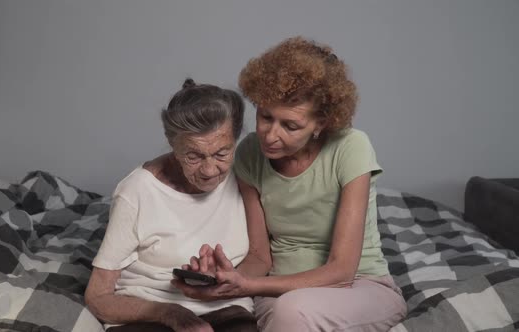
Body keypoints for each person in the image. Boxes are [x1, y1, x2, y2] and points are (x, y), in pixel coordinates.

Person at [173, 37, 408, 332]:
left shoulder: (351, 147)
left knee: (291, 311)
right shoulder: (249, 152)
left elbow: (342, 271)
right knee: (282, 310)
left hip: (361, 286)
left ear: (320, 123)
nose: (270, 135)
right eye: (265, 116)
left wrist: (249, 285)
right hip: (279, 290)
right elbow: (260, 255)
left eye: (290, 125)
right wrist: (227, 278)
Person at [85, 79, 258, 332]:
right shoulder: (136, 192)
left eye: (222, 153)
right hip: (150, 313)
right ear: (173, 145)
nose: (210, 171)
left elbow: (260, 257)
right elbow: (97, 297)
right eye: (194, 156)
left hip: (229, 310)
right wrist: (171, 314)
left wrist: (225, 280)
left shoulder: (243, 173)